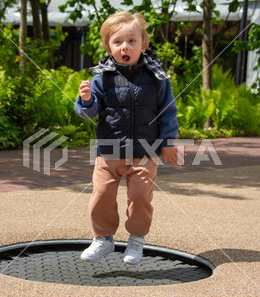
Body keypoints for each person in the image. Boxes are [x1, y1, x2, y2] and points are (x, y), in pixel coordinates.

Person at [74, 11, 182, 265]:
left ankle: (136, 239)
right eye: (118, 41)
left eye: (132, 41)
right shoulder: (101, 78)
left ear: (143, 44)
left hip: (144, 152)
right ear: (108, 47)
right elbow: (87, 113)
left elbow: (168, 111)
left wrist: (167, 143)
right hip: (109, 152)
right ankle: (103, 238)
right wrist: (87, 99)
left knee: (141, 197)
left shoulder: (157, 78)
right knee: (101, 194)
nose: (125, 46)